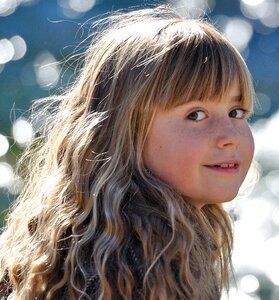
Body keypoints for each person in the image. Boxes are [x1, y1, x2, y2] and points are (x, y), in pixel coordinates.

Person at [0, 6, 255, 299]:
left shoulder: (81, 239)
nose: (230, 137)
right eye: (196, 115)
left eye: (236, 112)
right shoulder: (143, 268)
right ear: (124, 134)